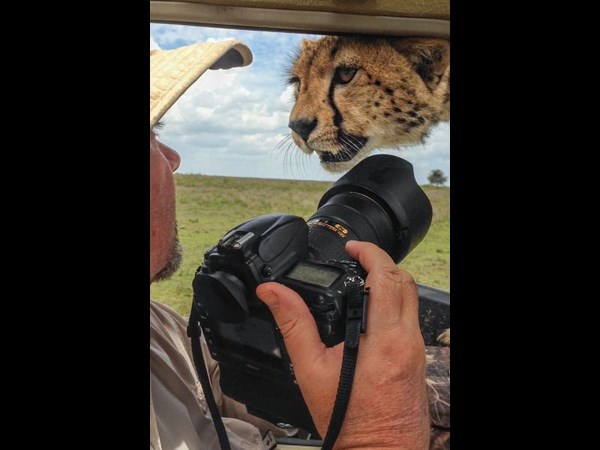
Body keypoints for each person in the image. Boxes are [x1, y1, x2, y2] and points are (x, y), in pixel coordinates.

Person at [150, 37, 441, 450]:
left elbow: (217, 386)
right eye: (152, 132)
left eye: (342, 75)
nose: (173, 157)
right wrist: (380, 434)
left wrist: (270, 331)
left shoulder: (159, 327)